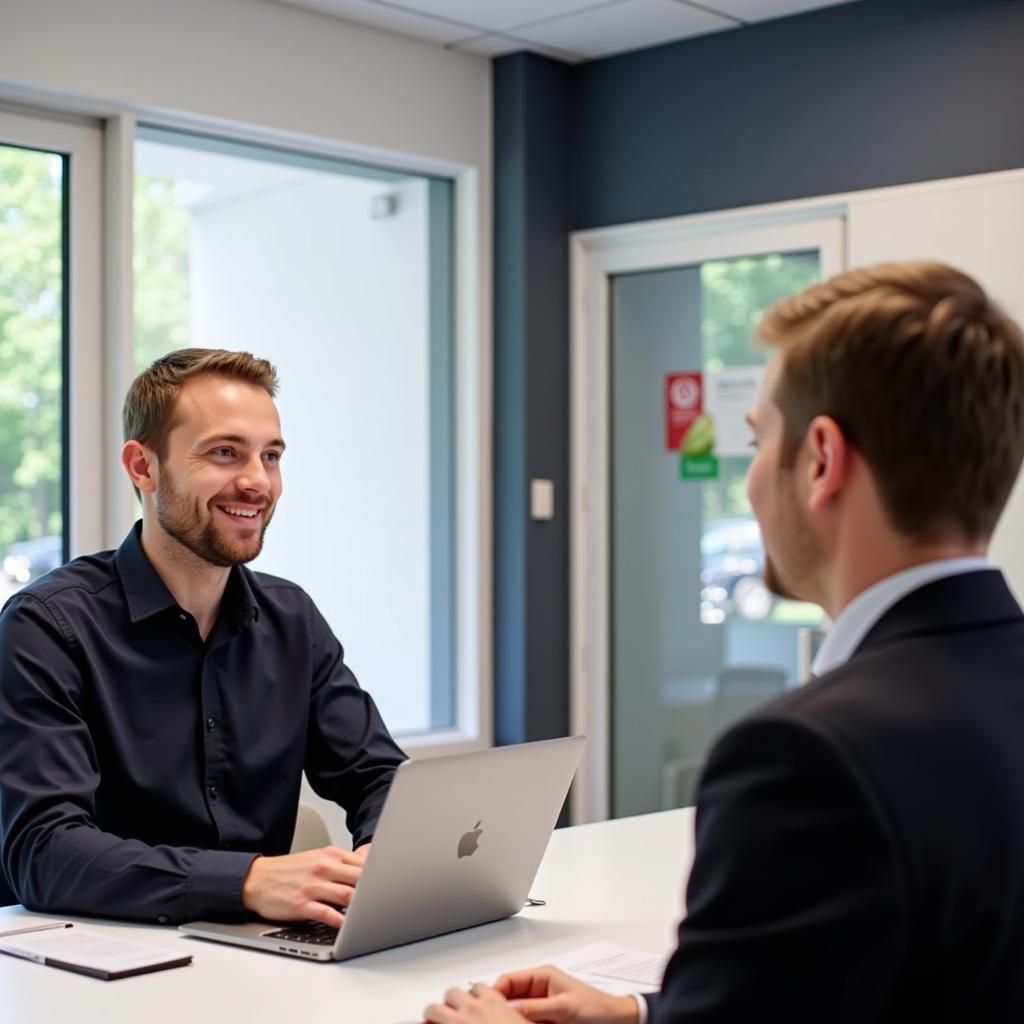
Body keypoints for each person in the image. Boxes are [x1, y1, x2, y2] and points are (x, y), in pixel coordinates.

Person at [423, 261, 1024, 1023]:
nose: (748, 481)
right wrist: (647, 1013)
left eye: (757, 440)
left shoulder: (807, 755)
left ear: (820, 460)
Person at [0, 348, 407, 927]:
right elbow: (43, 852)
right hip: (98, 968)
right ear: (143, 467)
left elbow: (379, 776)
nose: (256, 482)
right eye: (224, 453)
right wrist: (244, 880)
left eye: (270, 456)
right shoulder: (45, 626)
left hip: (259, 954)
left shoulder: (292, 618)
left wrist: (383, 858)